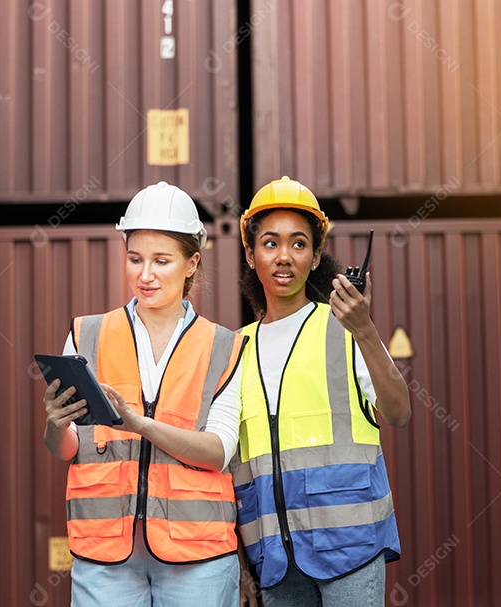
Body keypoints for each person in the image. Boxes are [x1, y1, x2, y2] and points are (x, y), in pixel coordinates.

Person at [42, 181, 246, 606]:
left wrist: (140, 425)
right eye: (135, 259)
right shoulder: (87, 335)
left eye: (161, 261)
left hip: (197, 554)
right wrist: (54, 425)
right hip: (106, 554)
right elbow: (67, 449)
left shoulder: (223, 345)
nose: (145, 274)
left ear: (192, 263)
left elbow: (217, 451)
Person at [231, 176, 411, 606]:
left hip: (350, 550)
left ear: (315, 259)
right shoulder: (234, 349)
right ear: (251, 255)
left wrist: (366, 329)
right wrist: (239, 565)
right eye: (270, 243)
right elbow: (227, 465)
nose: (284, 257)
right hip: (273, 561)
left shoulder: (344, 328)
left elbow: (399, 411)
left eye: (299, 244)